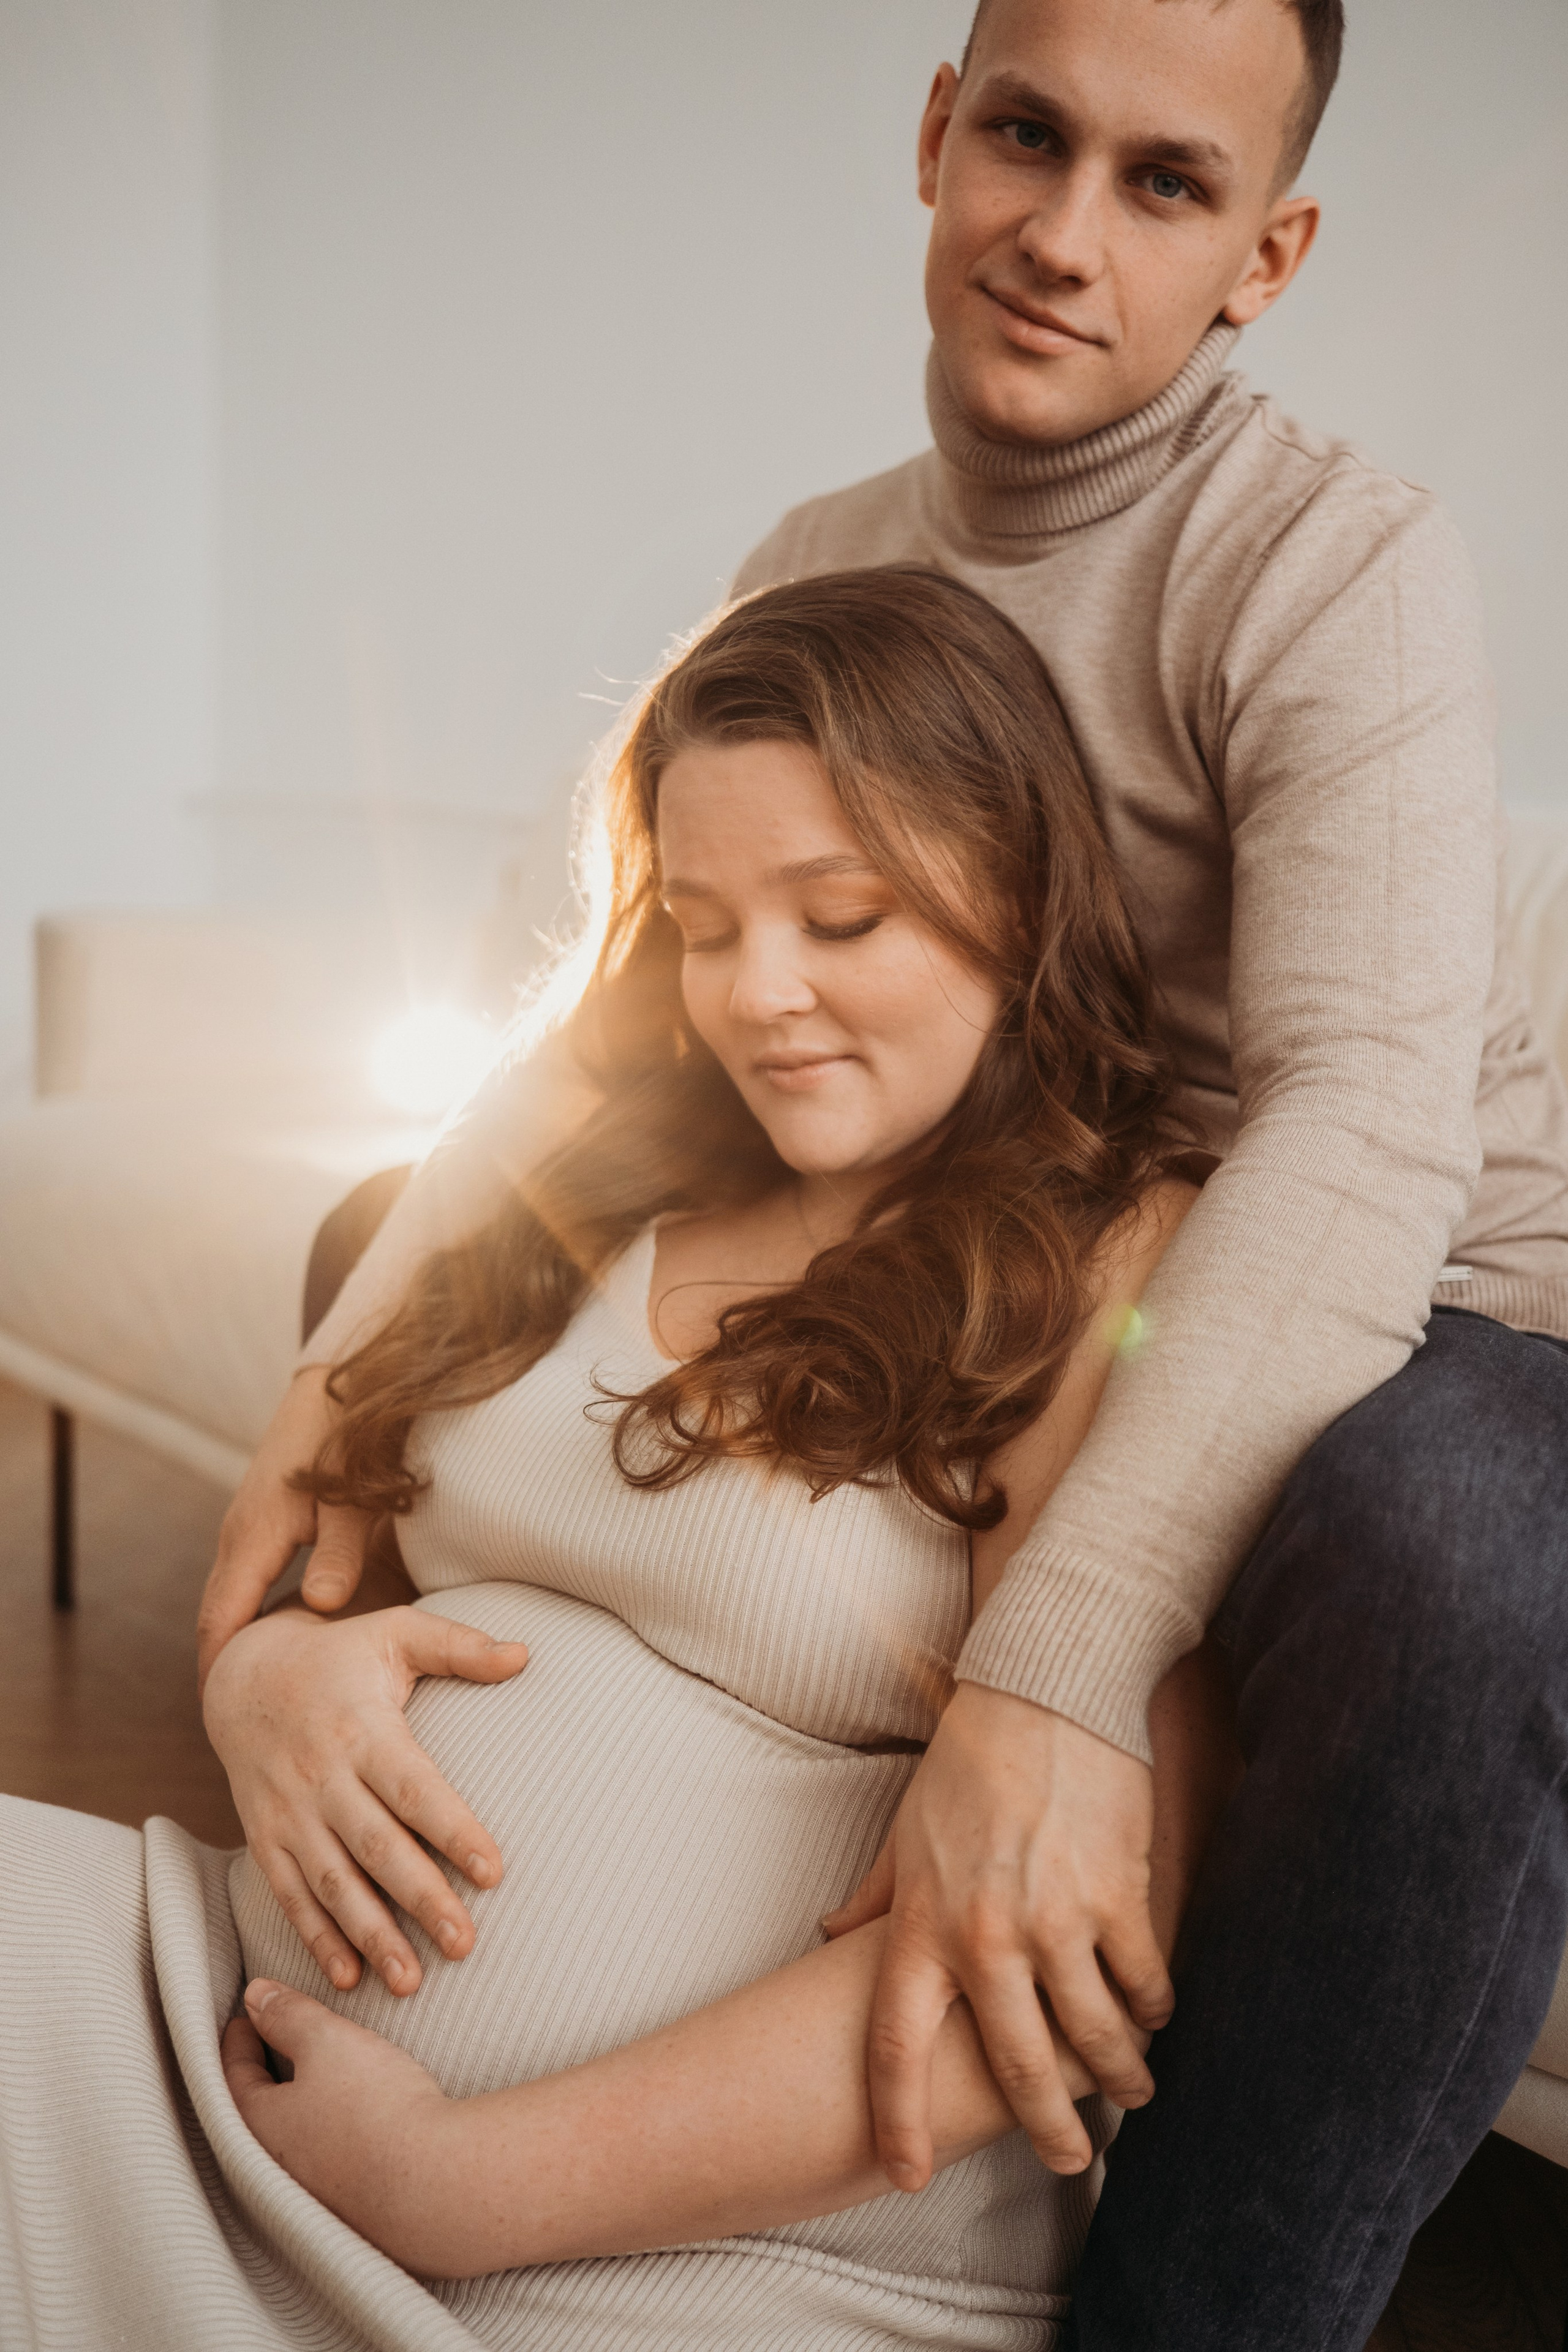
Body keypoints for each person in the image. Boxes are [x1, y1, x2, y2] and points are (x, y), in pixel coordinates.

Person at [195, 2, 1568, 2345]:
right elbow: (607, 1026)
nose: (1059, 232)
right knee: (387, 1245)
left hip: (1402, 1260)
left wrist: (1049, 1674)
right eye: (1023, 139)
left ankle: (1212, 2304)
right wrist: (314, 1461)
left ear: (1267, 250)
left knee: (1449, 1530)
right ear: (938, 137)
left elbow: (1351, 1137)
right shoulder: (819, 559)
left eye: (1167, 183)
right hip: (1026, 1185)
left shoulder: (1335, 569)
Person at [0, 570, 1232, 2346]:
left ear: (1020, 894)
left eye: (843, 916)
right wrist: (266, 1683)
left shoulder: (1118, 1266)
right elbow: (311, 1547)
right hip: (224, 2036)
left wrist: (455, 2178)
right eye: (710, 926)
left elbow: (1055, 1964)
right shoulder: (601, 1173)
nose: (762, 997)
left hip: (719, 2248)